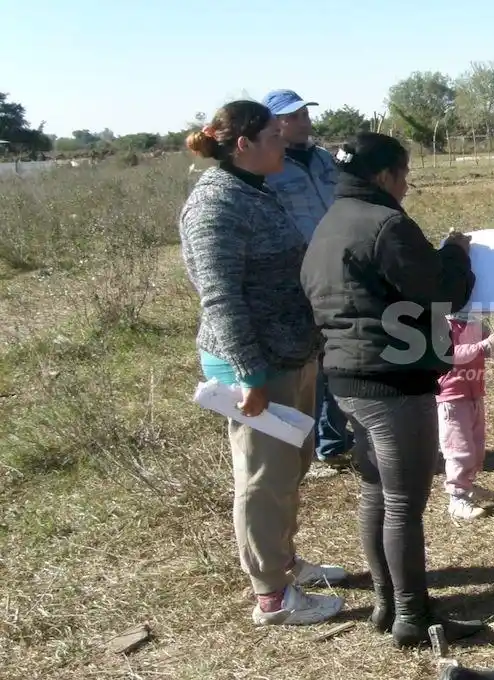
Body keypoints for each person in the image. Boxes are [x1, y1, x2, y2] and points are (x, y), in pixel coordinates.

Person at [300, 131, 486, 648]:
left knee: (377, 491)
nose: (406, 185)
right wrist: (456, 252)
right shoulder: (386, 225)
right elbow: (441, 289)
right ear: (384, 176)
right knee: (404, 502)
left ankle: (386, 603)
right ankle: (413, 615)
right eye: (403, 175)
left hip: (346, 375)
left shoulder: (329, 223)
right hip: (392, 379)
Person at [179, 100, 345, 626]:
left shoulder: (256, 191)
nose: (286, 142)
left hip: (290, 352)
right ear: (244, 144)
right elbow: (220, 299)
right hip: (256, 366)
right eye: (275, 134)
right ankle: (272, 595)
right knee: (262, 478)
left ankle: (285, 560)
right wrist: (248, 375)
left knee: (290, 467)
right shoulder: (216, 206)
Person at [261, 88, 354, 470]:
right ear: (274, 124)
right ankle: (312, 439)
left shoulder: (324, 160)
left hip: (338, 266)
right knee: (310, 361)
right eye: (292, 116)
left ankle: (332, 440)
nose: (303, 122)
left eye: (304, 114)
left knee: (338, 354)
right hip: (298, 274)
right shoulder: (269, 169)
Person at [437, 315, 494, 520]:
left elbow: (487, 348)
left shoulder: (474, 322)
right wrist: (483, 346)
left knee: (476, 446)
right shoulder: (440, 322)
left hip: (475, 394)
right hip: (451, 398)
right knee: (459, 449)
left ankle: (468, 485)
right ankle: (457, 498)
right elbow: (449, 354)